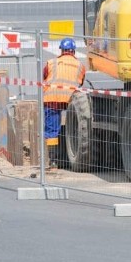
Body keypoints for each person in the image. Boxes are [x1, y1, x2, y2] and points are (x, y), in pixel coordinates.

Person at [42, 38, 86, 169]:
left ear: (61, 50)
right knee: (73, 124)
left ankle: (53, 160)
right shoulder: (80, 65)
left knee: (51, 130)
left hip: (52, 98)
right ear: (73, 51)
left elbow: (44, 78)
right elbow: (81, 82)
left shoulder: (51, 62)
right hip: (70, 99)